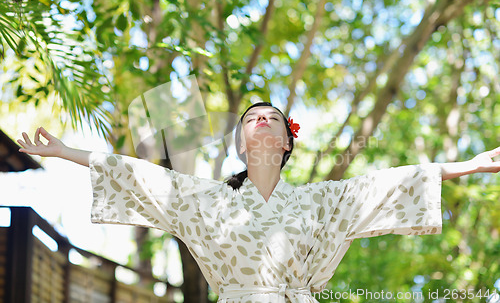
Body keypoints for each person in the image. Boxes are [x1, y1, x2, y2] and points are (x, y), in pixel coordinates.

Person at [17, 101, 500, 303]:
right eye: (252, 118)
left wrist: (470, 166)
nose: (262, 120)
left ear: (287, 143)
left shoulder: (323, 199)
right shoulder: (205, 199)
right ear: (242, 144)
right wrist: (64, 152)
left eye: (272, 117)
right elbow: (139, 176)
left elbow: (389, 184)